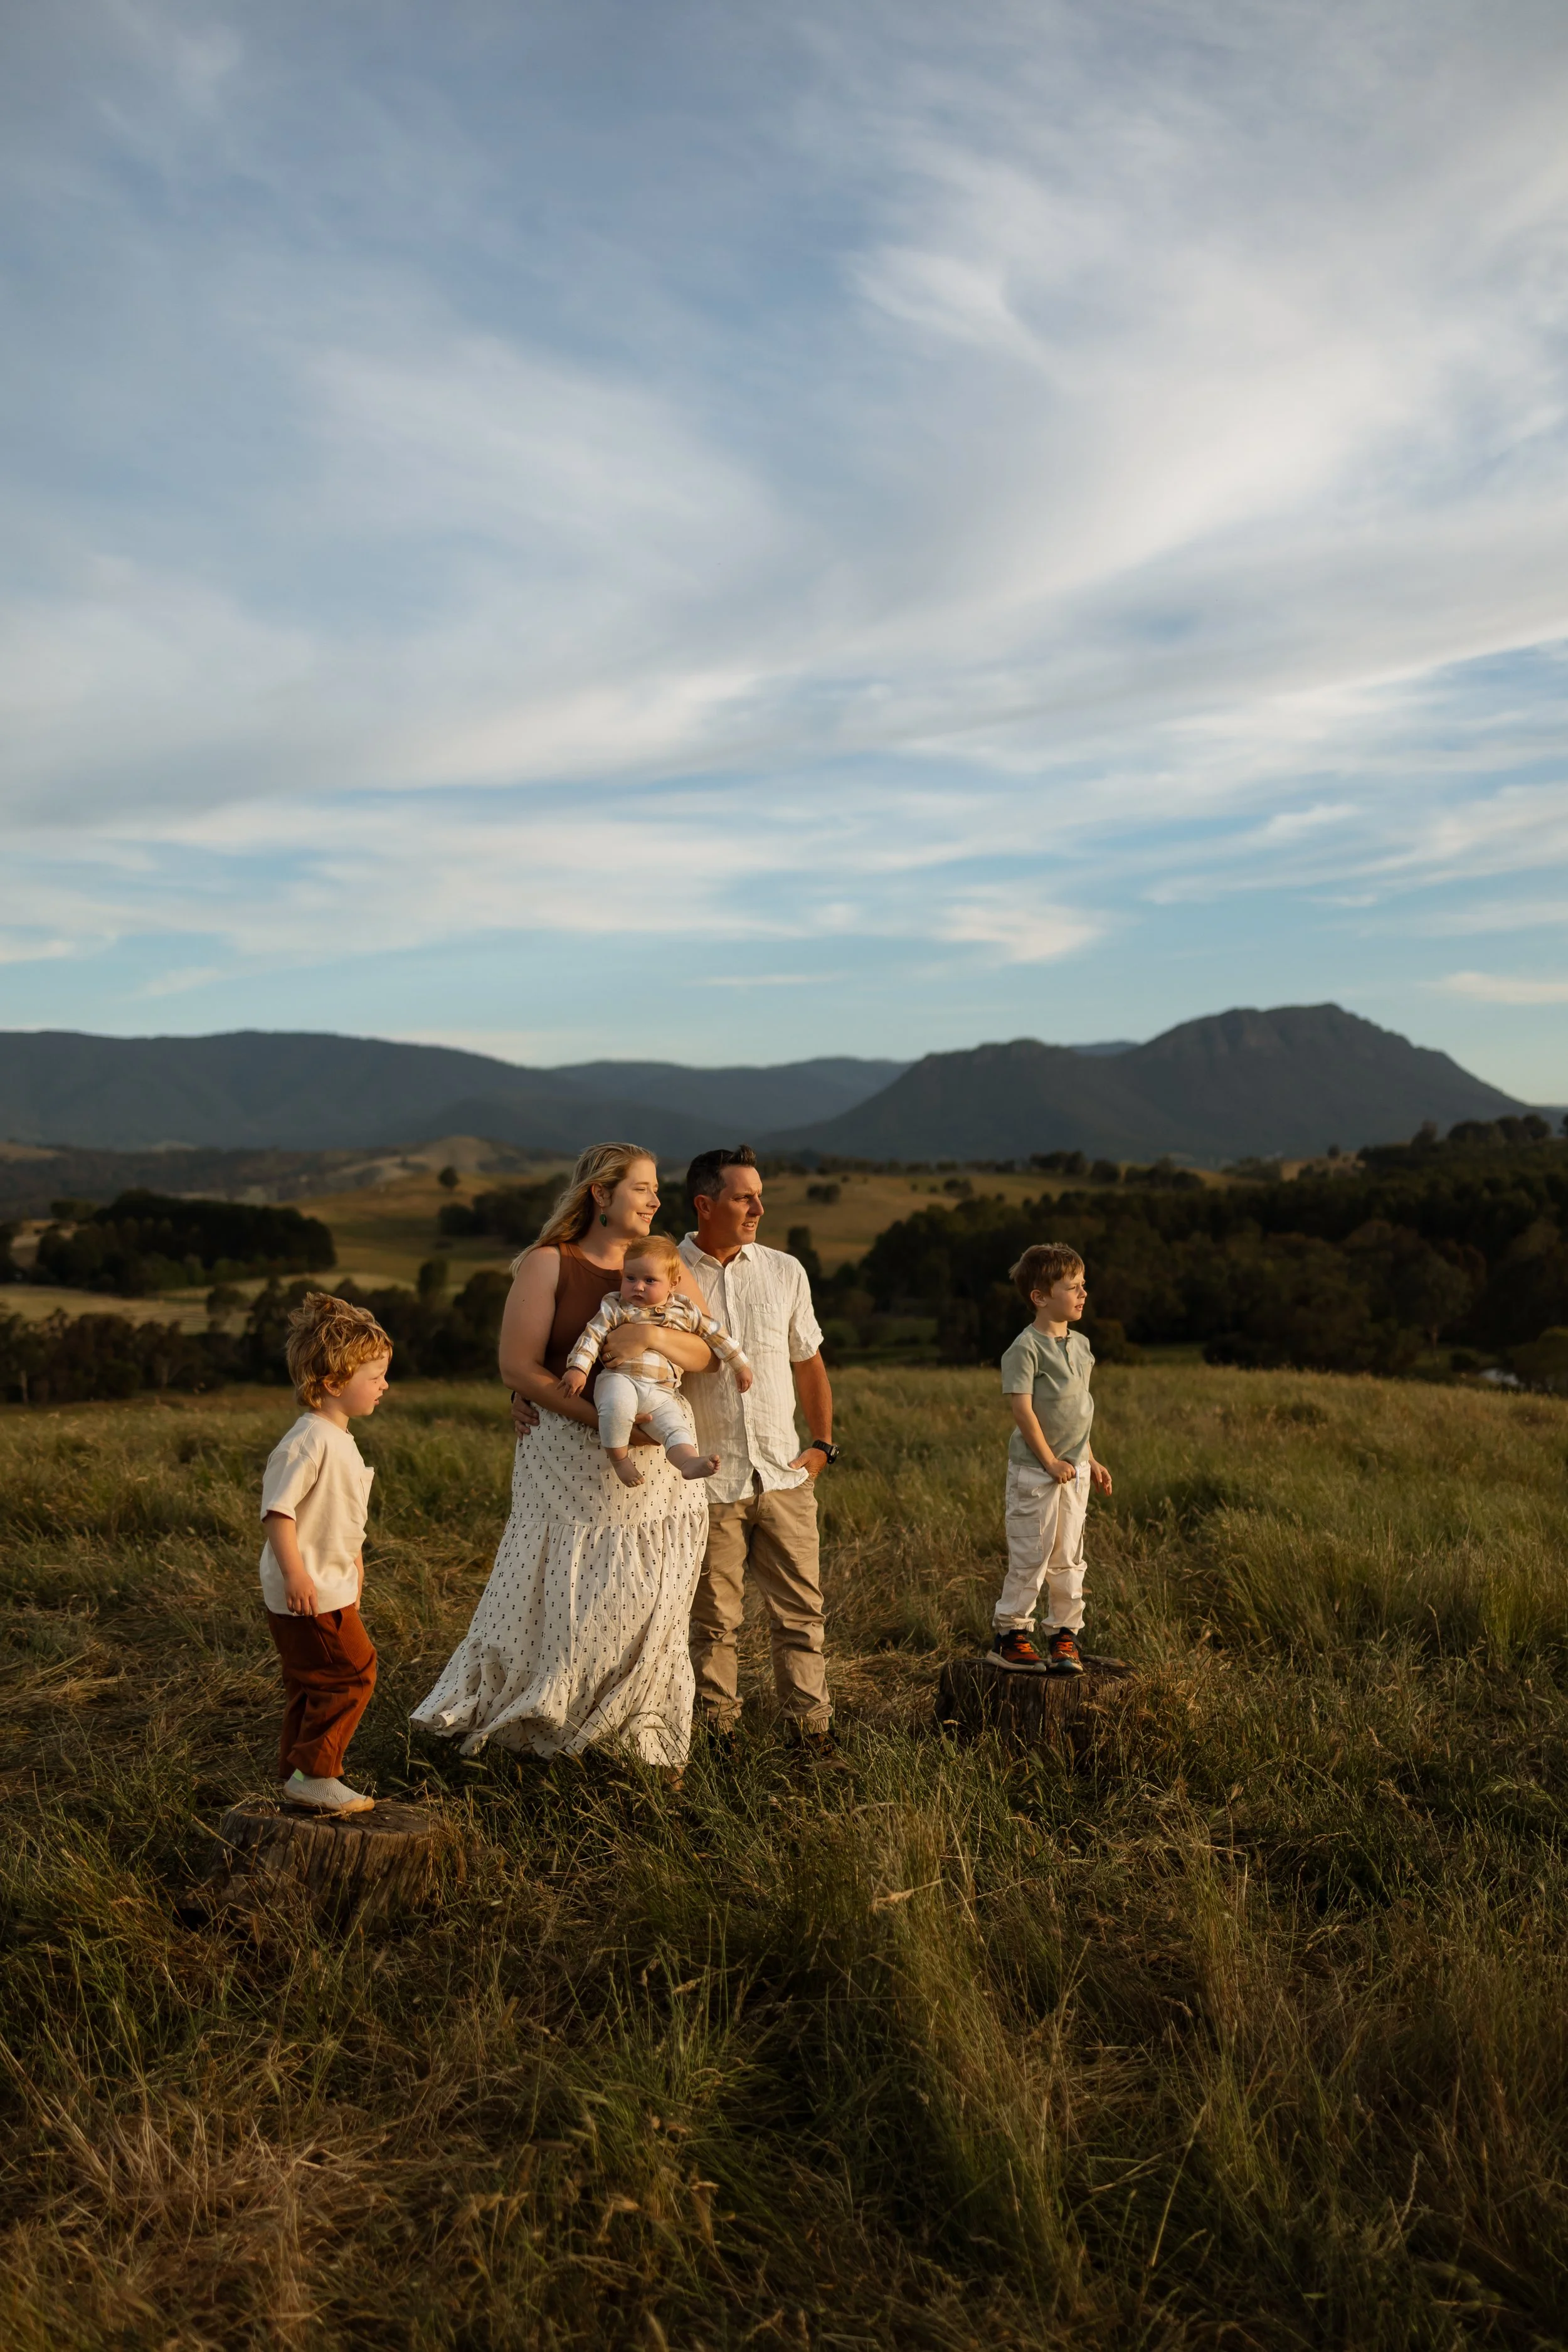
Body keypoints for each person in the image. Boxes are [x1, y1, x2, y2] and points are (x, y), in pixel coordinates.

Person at [412, 1142, 714, 1771]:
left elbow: (706, 1353)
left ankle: (636, 1745)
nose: (657, 1200)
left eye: (658, 1189)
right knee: (564, 1605)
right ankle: (539, 1739)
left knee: (643, 1606)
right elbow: (517, 1364)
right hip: (568, 1464)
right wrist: (609, 1424)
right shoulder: (549, 1264)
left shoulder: (668, 1264)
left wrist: (656, 1338)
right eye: (642, 1188)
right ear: (600, 1195)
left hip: (659, 1471)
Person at [678, 1144, 839, 1752]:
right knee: (713, 1622)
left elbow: (810, 1364)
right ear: (705, 1204)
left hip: (783, 1475)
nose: (758, 1208)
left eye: (759, 1196)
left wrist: (822, 1446)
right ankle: (718, 1735)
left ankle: (812, 1732)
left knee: (801, 1614)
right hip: (707, 1483)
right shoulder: (668, 1272)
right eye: (744, 1197)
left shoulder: (784, 1271)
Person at [259, 1291, 391, 1816]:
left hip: (329, 1581)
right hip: (309, 1588)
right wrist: (297, 1575)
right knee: (352, 1672)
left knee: (310, 1680)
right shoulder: (307, 1441)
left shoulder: (336, 1436)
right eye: (375, 1377)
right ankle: (318, 1773)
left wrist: (354, 1561)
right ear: (334, 1384)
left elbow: (338, 1513)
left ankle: (298, 1770)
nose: (385, 1385)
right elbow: (279, 1513)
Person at [988, 1242, 1113, 1676]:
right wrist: (1049, 1463)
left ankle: (1064, 1635)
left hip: (1073, 1471)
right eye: (1072, 1287)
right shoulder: (1025, 1349)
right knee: (1032, 1553)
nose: (1083, 1294)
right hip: (1035, 1473)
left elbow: (1080, 1411)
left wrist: (1088, 1459)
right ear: (1040, 1297)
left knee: (1068, 1555)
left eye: (1084, 1286)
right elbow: (1023, 1411)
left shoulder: (1081, 1346)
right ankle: (1010, 1636)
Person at [561, 1232, 752, 1486]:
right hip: (620, 1378)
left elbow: (716, 1334)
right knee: (616, 1408)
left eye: (649, 1280)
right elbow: (592, 1335)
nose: (637, 1287)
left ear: (673, 1283)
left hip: (662, 1391)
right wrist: (578, 1368)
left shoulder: (684, 1311)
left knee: (675, 1427)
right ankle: (620, 1460)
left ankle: (688, 1462)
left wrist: (740, 1365)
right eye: (630, 1278)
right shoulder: (616, 1306)